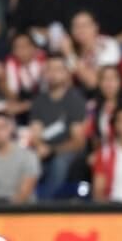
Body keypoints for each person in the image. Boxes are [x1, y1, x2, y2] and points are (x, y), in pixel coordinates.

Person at [28, 53, 87, 200]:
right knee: (25, 159)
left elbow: (78, 142)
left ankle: (46, 207)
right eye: (49, 69)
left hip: (69, 151)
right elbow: (35, 133)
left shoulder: (75, 100)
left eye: (58, 69)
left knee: (59, 162)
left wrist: (52, 150)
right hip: (45, 149)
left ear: (67, 73)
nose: (53, 74)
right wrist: (39, 145)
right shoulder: (39, 100)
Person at [0, 111, 41, 204]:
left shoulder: (29, 156)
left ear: (11, 128)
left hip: (23, 211)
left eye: (1, 127)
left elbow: (24, 193)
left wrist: (6, 213)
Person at [60, 9, 122, 93]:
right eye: (76, 26)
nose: (80, 30)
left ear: (96, 27)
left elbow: (95, 83)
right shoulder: (71, 47)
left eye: (85, 25)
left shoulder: (107, 44)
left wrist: (69, 54)